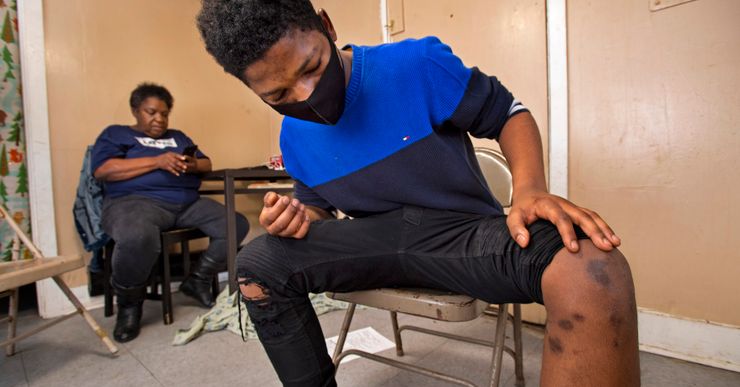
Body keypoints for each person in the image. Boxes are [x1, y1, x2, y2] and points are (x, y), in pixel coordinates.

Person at [196, 1, 639, 386]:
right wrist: (297, 219)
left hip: (463, 238)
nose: (306, 95)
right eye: (278, 93)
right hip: (374, 243)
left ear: (327, 27)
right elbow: (316, 209)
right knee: (258, 264)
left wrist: (529, 190)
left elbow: (508, 112)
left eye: (311, 67)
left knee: (593, 269)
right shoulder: (293, 136)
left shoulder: (415, 65)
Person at [91, 83, 249, 343]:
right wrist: (158, 160)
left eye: (164, 114)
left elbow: (207, 163)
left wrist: (191, 164)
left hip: (186, 203)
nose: (159, 119)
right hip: (134, 203)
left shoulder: (178, 137)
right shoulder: (116, 134)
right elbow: (103, 170)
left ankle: (197, 279)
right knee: (136, 236)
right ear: (135, 111)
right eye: (151, 112)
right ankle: (129, 305)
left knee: (235, 224)